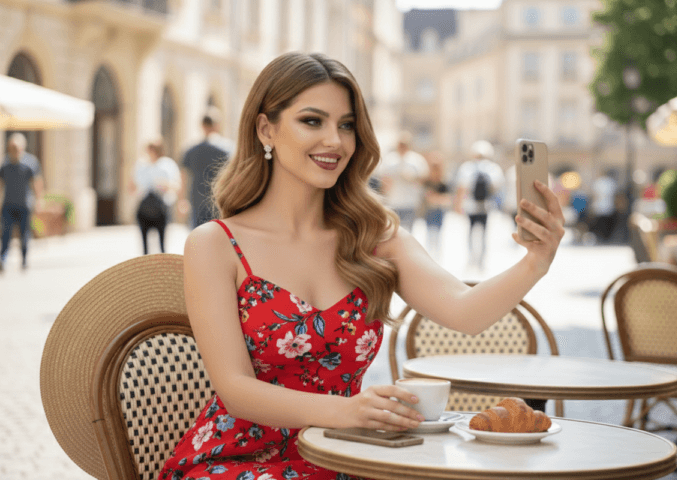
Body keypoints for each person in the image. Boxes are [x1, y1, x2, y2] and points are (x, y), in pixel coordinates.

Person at [158, 52, 564, 480]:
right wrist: (349, 410)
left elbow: (465, 312)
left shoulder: (376, 240)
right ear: (266, 129)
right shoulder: (216, 244)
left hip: (346, 457)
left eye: (346, 125)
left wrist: (536, 261)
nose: (335, 141)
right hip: (236, 463)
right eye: (312, 121)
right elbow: (235, 389)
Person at [0, 133, 44, 272]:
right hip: (8, 204)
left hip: (24, 205)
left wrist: (39, 201)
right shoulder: (5, 164)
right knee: (5, 234)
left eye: (16, 148)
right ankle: (2, 259)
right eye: (11, 148)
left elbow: (36, 183)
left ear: (22, 148)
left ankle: (24, 260)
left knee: (24, 234)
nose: (13, 150)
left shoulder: (30, 163)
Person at [453, 140, 505, 268]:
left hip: (470, 206)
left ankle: (471, 259)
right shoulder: (493, 168)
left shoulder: (467, 167)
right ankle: (482, 260)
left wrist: (458, 205)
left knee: (470, 233)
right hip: (486, 206)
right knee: (484, 234)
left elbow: (461, 188)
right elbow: (497, 187)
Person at [182, 107, 234, 228]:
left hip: (197, 200)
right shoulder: (228, 149)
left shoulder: (191, 150)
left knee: (198, 236)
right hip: (219, 201)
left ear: (202, 126)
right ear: (217, 125)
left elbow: (184, 177)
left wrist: (182, 200)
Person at [131, 138, 181, 255]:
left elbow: (176, 185)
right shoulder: (141, 165)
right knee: (144, 246)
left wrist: (164, 185)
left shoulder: (167, 164)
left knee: (162, 244)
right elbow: (132, 186)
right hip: (144, 205)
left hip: (161, 206)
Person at [377, 131, 428, 233]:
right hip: (393, 201)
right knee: (394, 231)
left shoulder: (416, 160)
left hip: (411, 201)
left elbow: (424, 179)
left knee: (408, 231)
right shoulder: (390, 159)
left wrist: (412, 178)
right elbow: (384, 180)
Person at [422, 151, 451, 260]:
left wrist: (436, 198)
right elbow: (427, 197)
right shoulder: (427, 181)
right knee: (429, 234)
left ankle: (437, 257)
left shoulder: (443, 182)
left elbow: (447, 199)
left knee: (438, 235)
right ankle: (430, 257)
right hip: (429, 211)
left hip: (439, 211)